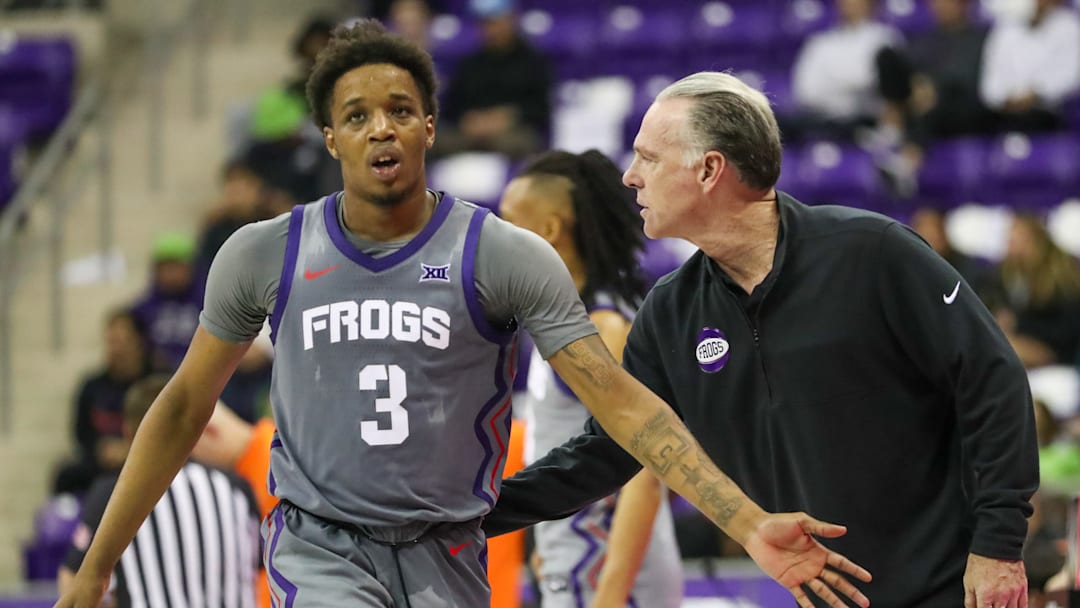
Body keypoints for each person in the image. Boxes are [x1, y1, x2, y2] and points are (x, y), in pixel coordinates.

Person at [55, 22, 871, 608]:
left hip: (451, 551)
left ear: (430, 125)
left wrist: (745, 519)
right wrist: (96, 568)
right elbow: (180, 409)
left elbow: (623, 404)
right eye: (357, 114)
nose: (382, 128)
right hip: (321, 547)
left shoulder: (504, 255)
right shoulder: (264, 252)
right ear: (328, 137)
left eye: (401, 109)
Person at [484, 71, 1039, 608]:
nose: (630, 176)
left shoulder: (872, 253)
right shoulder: (671, 311)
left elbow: (993, 380)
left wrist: (998, 546)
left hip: (957, 586)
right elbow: (610, 451)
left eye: (648, 158)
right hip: (829, 596)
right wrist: (473, 515)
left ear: (709, 170)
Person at [498, 149, 682, 608]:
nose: (495, 239)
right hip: (580, 559)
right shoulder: (560, 317)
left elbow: (646, 474)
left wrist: (611, 592)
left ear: (549, 230)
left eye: (506, 221)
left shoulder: (603, 328)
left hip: (605, 572)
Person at [58, 375, 261, 608]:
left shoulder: (114, 494)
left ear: (128, 433)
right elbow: (260, 570)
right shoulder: (237, 489)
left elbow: (72, 579)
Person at [433, 0, 552, 159]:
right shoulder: (470, 63)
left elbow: (541, 109)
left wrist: (509, 117)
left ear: (512, 19)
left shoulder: (534, 61)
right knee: (432, 142)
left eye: (496, 22)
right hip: (471, 135)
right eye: (486, 24)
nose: (492, 29)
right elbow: (452, 109)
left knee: (522, 143)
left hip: (513, 133)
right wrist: (469, 120)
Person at [53, 309, 153, 496]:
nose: (117, 350)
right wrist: (101, 449)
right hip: (102, 463)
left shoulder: (156, 384)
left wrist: (129, 450)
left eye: (123, 341)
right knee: (65, 475)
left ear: (139, 342)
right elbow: (81, 434)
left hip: (146, 462)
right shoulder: (92, 386)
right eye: (112, 342)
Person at [981, 214, 1080, 368]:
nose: (1011, 247)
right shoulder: (1008, 274)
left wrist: (1018, 325)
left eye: (1018, 239)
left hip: (1058, 358)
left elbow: (1066, 331)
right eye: (1010, 240)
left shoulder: (1061, 273)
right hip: (1021, 351)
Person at [980, 0, 1080, 132]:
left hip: (1048, 110)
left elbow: (1071, 77)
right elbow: (991, 81)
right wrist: (1005, 99)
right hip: (1005, 111)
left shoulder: (1069, 26)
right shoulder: (1005, 28)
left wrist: (1035, 94)